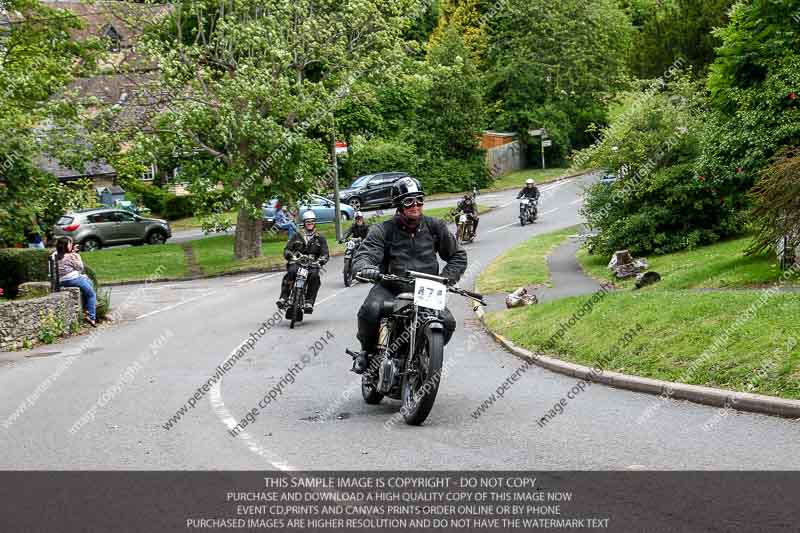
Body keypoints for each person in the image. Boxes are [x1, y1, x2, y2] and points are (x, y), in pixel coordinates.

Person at [350, 177, 467, 373]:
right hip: (390, 286)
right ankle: (366, 352)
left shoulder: (435, 226)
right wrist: (365, 267)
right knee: (370, 309)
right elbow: (366, 253)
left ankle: (424, 352)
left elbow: (457, 256)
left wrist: (446, 279)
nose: (415, 205)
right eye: (408, 201)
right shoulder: (383, 229)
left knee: (447, 322)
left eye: (419, 200)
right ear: (398, 204)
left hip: (426, 289)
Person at [276, 210, 329, 313]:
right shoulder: (297, 235)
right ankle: (284, 297)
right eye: (308, 222)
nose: (310, 224)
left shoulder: (320, 238)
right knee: (290, 273)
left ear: (315, 223)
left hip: (312, 265)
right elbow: (287, 249)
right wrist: (290, 256)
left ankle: (309, 302)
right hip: (297, 263)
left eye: (312, 222)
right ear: (304, 223)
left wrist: (320, 261)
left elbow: (325, 253)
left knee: (315, 277)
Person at [55, 236, 97, 327]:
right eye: (70, 243)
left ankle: (86, 310)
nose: (72, 245)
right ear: (66, 245)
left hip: (60, 281)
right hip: (72, 280)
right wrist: (77, 256)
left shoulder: (54, 255)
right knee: (91, 294)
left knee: (88, 281)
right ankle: (91, 316)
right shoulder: (70, 256)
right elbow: (80, 268)